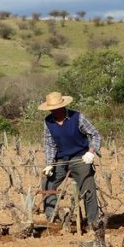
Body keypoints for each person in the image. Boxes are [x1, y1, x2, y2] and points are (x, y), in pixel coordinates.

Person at [39, 91, 101, 227]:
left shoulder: (77, 117)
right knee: (47, 183)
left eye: (56, 108)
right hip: (62, 159)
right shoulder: (48, 122)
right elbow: (50, 144)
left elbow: (95, 135)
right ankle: (52, 218)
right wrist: (49, 164)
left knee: (88, 187)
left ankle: (93, 222)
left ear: (63, 106)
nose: (54, 111)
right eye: (52, 109)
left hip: (81, 157)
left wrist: (91, 152)